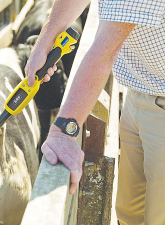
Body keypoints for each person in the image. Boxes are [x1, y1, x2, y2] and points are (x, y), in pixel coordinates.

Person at [25, 0, 165, 224]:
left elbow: (105, 52)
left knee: (158, 216)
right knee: (129, 211)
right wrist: (44, 42)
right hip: (139, 92)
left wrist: (64, 130)